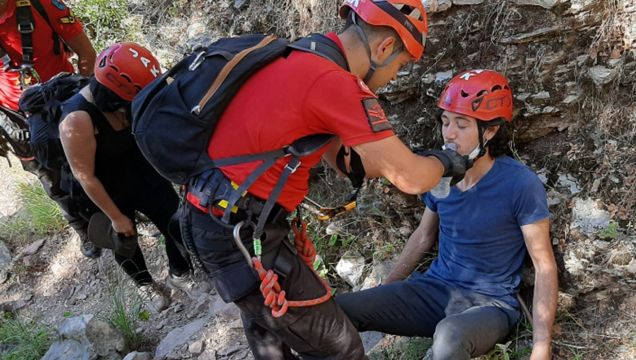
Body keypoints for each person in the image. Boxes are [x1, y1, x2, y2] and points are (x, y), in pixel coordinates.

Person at [178, 1, 473, 359]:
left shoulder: (306, 53)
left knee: (271, 333)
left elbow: (342, 160)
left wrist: (396, 160)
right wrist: (443, 162)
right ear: (383, 48)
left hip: (218, 219)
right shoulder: (336, 83)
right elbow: (410, 179)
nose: (395, 75)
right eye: (400, 64)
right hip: (238, 233)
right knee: (341, 347)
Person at [335, 69, 559, 360]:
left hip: (490, 305)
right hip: (435, 291)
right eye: (445, 122)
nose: (449, 133)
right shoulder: (440, 174)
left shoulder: (520, 184)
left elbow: (544, 266)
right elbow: (423, 237)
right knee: (339, 309)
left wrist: (541, 346)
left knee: (449, 337)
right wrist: (387, 289)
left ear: (489, 131)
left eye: (462, 124)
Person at [58, 42, 192, 312]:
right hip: (101, 182)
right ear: (115, 95)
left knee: (173, 217)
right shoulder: (77, 120)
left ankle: (180, 270)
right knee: (124, 239)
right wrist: (116, 217)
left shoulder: (132, 97)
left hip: (137, 165)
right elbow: (84, 176)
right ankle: (144, 284)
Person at [0, 0, 98, 257]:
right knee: (48, 176)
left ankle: (121, 208)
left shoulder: (41, 5)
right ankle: (83, 228)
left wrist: (86, 99)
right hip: (17, 116)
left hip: (62, 98)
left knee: (94, 157)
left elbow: (86, 54)